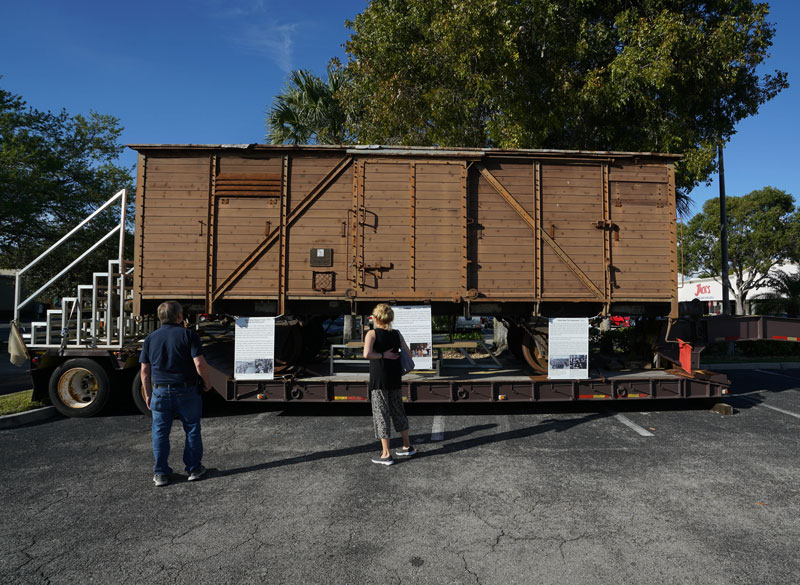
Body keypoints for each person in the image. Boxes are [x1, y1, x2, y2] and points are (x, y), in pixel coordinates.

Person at [140, 301, 212, 486]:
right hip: (186, 390)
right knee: (192, 429)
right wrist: (207, 382)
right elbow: (199, 364)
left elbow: (145, 371)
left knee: (160, 433)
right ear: (179, 316)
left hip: (160, 391)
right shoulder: (189, 335)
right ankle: (194, 469)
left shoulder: (150, 338)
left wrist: (148, 393)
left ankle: (161, 474)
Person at [362, 303, 416, 465]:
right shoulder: (397, 334)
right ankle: (407, 446)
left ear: (376, 318)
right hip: (394, 377)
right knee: (398, 410)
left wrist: (382, 355)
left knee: (381, 414)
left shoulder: (371, 334)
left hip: (379, 379)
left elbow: (367, 354)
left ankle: (386, 454)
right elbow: (409, 353)